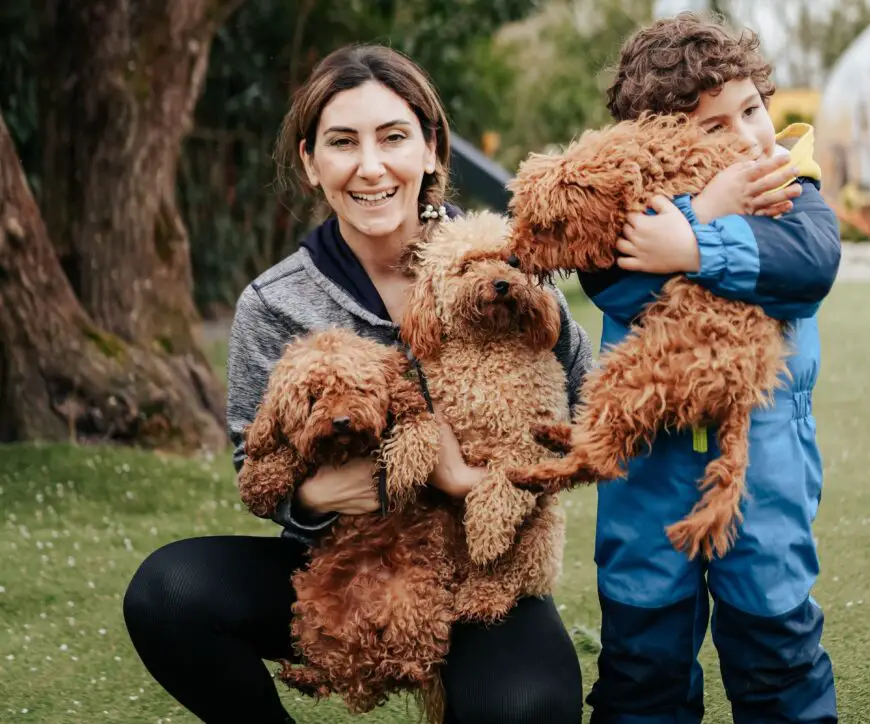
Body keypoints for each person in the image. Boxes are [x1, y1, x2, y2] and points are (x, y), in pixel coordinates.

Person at [122, 44, 592, 724]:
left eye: (394, 137)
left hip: (480, 574)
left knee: (525, 708)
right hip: (345, 568)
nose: (371, 167)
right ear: (312, 163)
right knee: (168, 592)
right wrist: (312, 499)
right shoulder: (274, 303)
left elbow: (584, 405)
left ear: (432, 149)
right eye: (343, 142)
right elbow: (253, 460)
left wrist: (474, 484)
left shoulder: (499, 259)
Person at [575, 13, 842, 724]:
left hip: (764, 474)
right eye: (713, 127)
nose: (747, 137)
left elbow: (809, 268)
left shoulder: (794, 187)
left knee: (779, 656)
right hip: (647, 488)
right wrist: (702, 207)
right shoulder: (630, 211)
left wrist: (695, 243)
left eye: (750, 109)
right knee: (641, 667)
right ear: (659, 141)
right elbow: (610, 282)